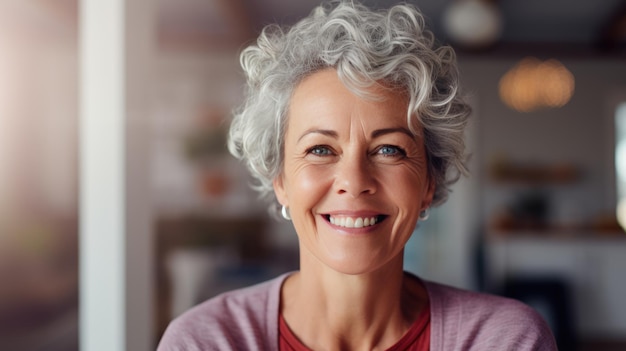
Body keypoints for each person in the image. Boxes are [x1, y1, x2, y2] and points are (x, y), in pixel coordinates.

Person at [157, 1, 557, 350]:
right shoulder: (206, 341)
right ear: (280, 180)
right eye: (320, 150)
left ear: (428, 183)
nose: (354, 179)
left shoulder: (503, 340)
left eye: (389, 150)